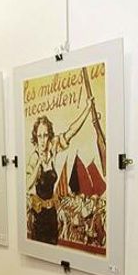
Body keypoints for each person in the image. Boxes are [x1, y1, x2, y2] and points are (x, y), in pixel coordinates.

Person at [27, 98, 93, 244]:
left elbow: (72, 131)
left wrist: (87, 109)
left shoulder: (53, 147)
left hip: (52, 214)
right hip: (39, 215)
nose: (43, 140)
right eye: (39, 136)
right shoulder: (34, 157)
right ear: (35, 137)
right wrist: (38, 165)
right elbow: (27, 184)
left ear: (49, 135)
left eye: (45, 135)